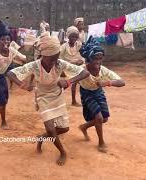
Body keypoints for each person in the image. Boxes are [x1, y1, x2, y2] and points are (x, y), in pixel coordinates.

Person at [7, 34, 90, 166]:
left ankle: (41, 138)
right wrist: (21, 84)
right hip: (42, 97)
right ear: (44, 55)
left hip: (57, 96)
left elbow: (85, 73)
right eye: (52, 58)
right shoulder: (34, 66)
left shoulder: (59, 63)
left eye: (57, 57)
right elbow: (11, 73)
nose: (55, 61)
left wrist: (68, 81)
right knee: (51, 129)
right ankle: (63, 152)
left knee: (64, 129)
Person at [78, 36, 125, 152]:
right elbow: (67, 74)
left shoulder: (103, 70)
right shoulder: (81, 69)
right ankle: (101, 143)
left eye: (100, 59)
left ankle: (84, 127)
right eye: (95, 58)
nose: (98, 62)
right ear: (89, 58)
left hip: (98, 92)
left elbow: (122, 82)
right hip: (86, 93)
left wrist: (107, 82)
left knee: (104, 119)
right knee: (98, 117)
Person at [60, 26, 85, 106]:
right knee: (67, 84)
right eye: (72, 36)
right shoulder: (64, 46)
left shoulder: (79, 44)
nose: (74, 38)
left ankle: (75, 101)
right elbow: (58, 58)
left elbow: (83, 55)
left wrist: (81, 60)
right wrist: (68, 64)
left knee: (80, 81)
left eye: (75, 36)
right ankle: (53, 96)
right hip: (67, 67)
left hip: (78, 67)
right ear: (68, 36)